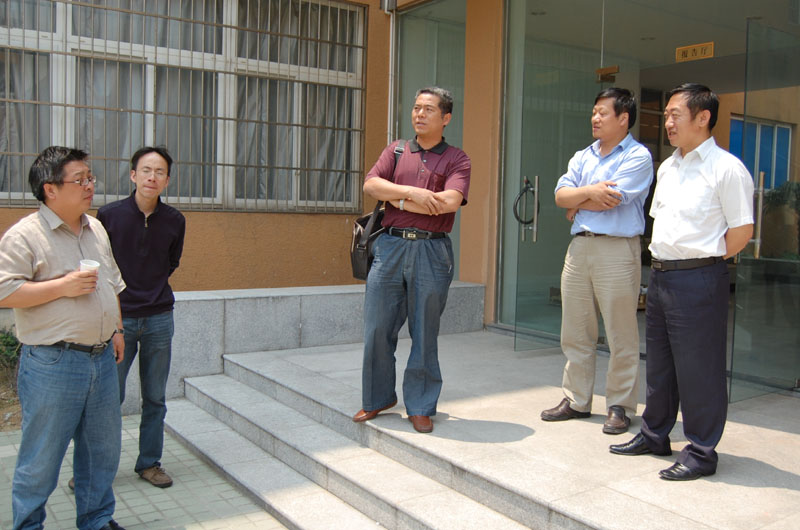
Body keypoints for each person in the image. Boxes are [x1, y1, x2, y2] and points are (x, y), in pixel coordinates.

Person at [610, 83, 754, 481]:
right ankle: (654, 434)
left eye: (675, 115)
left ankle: (702, 452)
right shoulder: (668, 167)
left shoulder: (726, 169)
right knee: (660, 365)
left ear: (703, 117)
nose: (668, 122)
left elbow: (741, 232)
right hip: (661, 276)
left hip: (698, 278)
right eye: (667, 116)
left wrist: (703, 262)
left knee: (699, 369)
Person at [0, 146, 126, 530]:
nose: (89, 186)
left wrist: (117, 329)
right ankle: (28, 525)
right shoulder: (25, 235)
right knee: (41, 456)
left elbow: (112, 283)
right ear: (50, 189)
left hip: (101, 358)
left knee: (101, 451)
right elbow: (4, 291)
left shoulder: (96, 228)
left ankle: (96, 520)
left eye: (90, 178)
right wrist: (61, 286)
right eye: (80, 179)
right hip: (53, 363)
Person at [352, 86, 470, 433]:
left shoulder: (457, 159)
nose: (419, 114)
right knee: (377, 328)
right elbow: (371, 185)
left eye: (428, 109)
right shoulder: (397, 150)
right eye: (417, 108)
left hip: (432, 251)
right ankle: (377, 398)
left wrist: (396, 199)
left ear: (446, 118)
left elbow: (449, 202)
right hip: (390, 247)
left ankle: (420, 405)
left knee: (424, 331)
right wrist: (411, 194)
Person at [541, 87, 653, 435]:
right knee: (575, 329)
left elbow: (614, 198)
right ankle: (576, 399)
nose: (595, 118)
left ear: (623, 118)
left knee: (621, 332)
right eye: (594, 112)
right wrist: (587, 194)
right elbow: (560, 196)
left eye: (603, 113)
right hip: (580, 248)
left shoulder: (638, 156)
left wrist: (578, 202)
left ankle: (620, 405)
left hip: (617, 249)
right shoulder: (582, 156)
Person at [97, 146, 185, 488]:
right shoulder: (109, 216)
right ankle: (97, 469)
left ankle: (150, 463)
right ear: (133, 175)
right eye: (146, 170)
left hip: (159, 317)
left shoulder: (175, 220)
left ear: (167, 180)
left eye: (159, 172)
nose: (152, 177)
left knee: (155, 398)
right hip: (119, 321)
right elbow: (103, 267)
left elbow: (171, 263)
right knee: (108, 398)